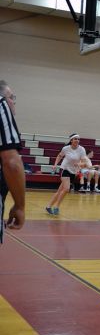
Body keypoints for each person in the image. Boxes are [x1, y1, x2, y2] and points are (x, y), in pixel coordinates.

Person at [0, 80, 25, 243]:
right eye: (11, 97)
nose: (12, 101)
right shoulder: (1, 106)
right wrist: (19, 205)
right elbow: (12, 163)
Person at [45, 133, 86, 215]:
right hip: (65, 169)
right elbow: (59, 156)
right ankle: (56, 207)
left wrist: (79, 164)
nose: (77, 140)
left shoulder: (82, 149)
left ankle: (48, 206)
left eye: (78, 139)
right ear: (71, 140)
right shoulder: (66, 148)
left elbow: (84, 162)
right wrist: (55, 165)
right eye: (75, 139)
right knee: (67, 189)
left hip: (73, 171)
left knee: (60, 190)